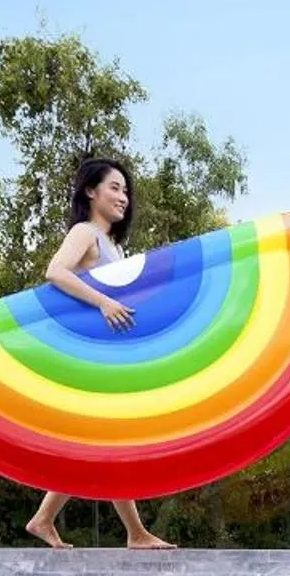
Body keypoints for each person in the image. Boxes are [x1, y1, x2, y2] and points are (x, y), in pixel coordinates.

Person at [24, 155, 177, 550]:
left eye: (125, 190)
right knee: (109, 438)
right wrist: (103, 303)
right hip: (87, 354)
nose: (123, 197)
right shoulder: (85, 232)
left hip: (108, 353)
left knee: (99, 441)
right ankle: (136, 533)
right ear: (91, 191)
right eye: (114, 187)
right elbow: (55, 271)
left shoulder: (113, 245)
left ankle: (45, 519)